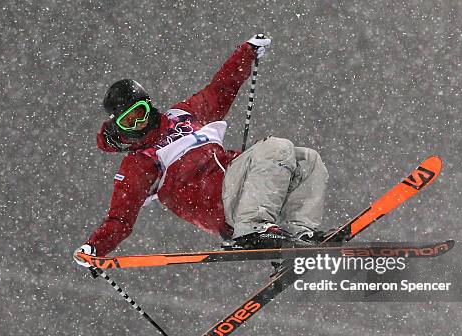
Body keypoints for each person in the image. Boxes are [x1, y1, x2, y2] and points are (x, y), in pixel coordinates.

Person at [74, 35, 332, 268]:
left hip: (242, 182)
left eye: (139, 113)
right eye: (128, 122)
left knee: (306, 160)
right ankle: (253, 231)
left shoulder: (182, 115)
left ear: (149, 105)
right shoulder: (139, 162)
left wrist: (246, 52)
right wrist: (95, 247)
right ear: (117, 127)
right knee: (276, 148)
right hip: (216, 201)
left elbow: (221, 89)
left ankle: (298, 234)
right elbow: (120, 219)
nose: (139, 124)